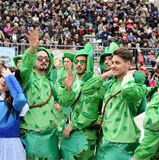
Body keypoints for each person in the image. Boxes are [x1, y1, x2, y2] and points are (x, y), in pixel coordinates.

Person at [19, 27, 75, 160]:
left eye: (46, 59)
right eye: (40, 58)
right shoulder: (28, 78)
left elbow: (65, 101)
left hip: (50, 137)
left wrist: (68, 89)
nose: (44, 60)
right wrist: (32, 49)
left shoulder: (52, 82)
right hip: (30, 134)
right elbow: (24, 69)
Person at [81, 48, 147, 160]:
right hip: (105, 141)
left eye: (117, 63)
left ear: (128, 64)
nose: (113, 66)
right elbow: (86, 90)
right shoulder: (110, 85)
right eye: (112, 62)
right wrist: (105, 75)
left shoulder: (137, 86)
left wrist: (129, 76)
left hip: (123, 144)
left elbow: (127, 91)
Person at [60, 43, 101, 160]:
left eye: (82, 62)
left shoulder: (93, 81)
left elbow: (90, 111)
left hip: (86, 135)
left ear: (88, 63)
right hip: (73, 132)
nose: (78, 65)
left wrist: (72, 125)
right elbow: (66, 103)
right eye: (76, 61)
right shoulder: (75, 80)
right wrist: (68, 89)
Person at [131, 55, 159, 160]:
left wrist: (137, 157)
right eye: (154, 64)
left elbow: (151, 123)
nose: (155, 67)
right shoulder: (156, 91)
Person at [0, 67, 28, 160]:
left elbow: (20, 99)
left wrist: (10, 78)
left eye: (8, 79)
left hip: (9, 144)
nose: (4, 81)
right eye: (2, 76)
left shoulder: (14, 103)